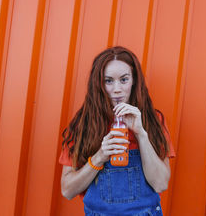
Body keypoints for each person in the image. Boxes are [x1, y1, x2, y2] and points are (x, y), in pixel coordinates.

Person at [59, 46, 175, 216]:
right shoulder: (83, 125)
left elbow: (160, 184)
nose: (117, 89)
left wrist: (141, 134)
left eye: (123, 79)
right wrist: (100, 157)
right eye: (108, 81)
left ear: (134, 80)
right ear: (98, 84)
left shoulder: (152, 120)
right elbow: (67, 190)